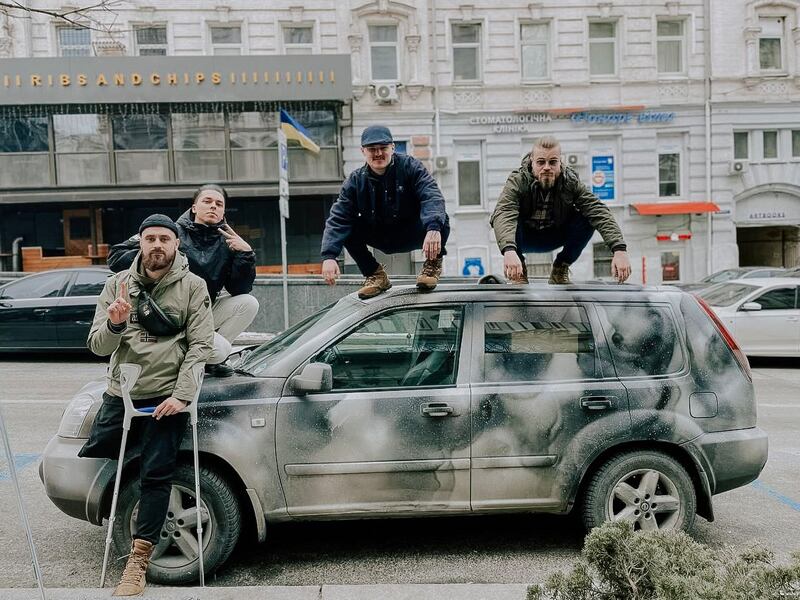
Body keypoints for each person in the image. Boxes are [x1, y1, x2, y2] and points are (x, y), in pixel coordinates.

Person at [79, 214, 213, 596]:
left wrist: (182, 396)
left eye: (164, 239)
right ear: (140, 242)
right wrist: (116, 325)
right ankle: (127, 518)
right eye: (150, 238)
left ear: (176, 244)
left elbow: (201, 345)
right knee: (106, 457)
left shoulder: (193, 286)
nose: (157, 245)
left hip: (166, 397)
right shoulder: (116, 285)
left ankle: (137, 563)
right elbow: (96, 346)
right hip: (122, 393)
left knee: (157, 474)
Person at [108, 184, 258, 377]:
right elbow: (116, 258)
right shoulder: (169, 233)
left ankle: (208, 360)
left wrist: (245, 255)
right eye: (207, 201)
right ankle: (196, 356)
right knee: (221, 349)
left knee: (248, 303)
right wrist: (160, 251)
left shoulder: (227, 242)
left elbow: (239, 289)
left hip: (200, 310)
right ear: (194, 207)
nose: (213, 206)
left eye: (219, 204)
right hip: (168, 313)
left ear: (223, 212)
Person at [320, 125, 451, 299]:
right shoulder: (355, 181)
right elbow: (338, 218)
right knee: (348, 229)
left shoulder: (411, 167)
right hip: (381, 236)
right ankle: (375, 275)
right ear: (363, 151)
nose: (378, 154)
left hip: (412, 231)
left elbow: (432, 195)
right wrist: (329, 256)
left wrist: (433, 227)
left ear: (393, 147)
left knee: (440, 218)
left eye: (383, 148)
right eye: (372, 149)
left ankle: (432, 266)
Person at [491, 135, 632, 284]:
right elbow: (504, 211)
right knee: (511, 215)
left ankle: (560, 268)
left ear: (560, 162)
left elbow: (598, 210)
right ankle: (519, 272)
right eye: (541, 162)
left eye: (552, 162)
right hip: (523, 237)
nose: (546, 167)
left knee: (587, 217)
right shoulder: (518, 181)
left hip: (554, 235)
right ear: (532, 162)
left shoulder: (569, 182)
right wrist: (509, 250)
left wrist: (619, 249)